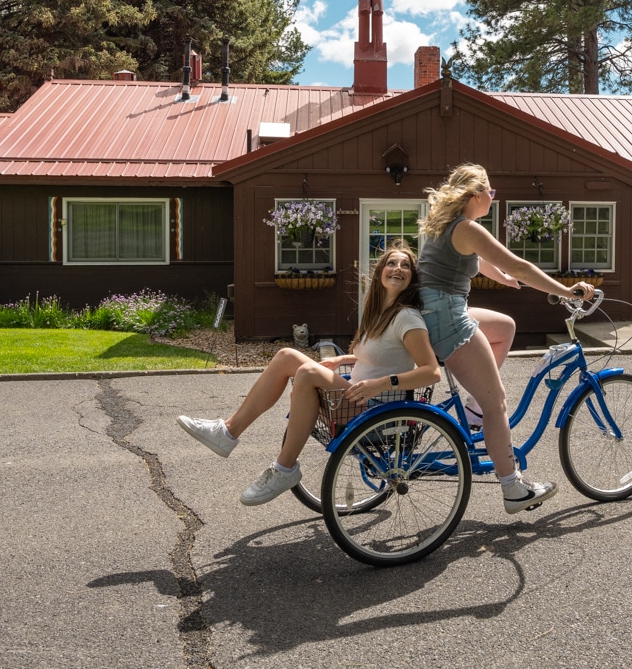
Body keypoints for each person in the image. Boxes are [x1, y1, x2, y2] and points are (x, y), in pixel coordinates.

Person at [176, 241, 440, 505]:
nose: (398, 268)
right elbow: (381, 355)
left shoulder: (407, 318)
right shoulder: (378, 313)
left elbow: (431, 372)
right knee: (286, 356)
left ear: (412, 278)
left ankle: (284, 468)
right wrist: (343, 358)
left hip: (377, 410)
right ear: (380, 272)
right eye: (392, 263)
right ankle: (227, 432)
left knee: (307, 372)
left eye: (405, 265)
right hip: (356, 399)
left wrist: (381, 384)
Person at [418, 164, 595, 514]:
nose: (493, 197)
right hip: (449, 318)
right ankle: (513, 487)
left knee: (504, 327)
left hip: (435, 311)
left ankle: (473, 409)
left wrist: (503, 278)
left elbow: (481, 260)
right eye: (491, 192)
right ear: (476, 195)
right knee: (496, 402)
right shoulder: (468, 228)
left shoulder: (448, 225)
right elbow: (521, 266)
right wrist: (567, 291)